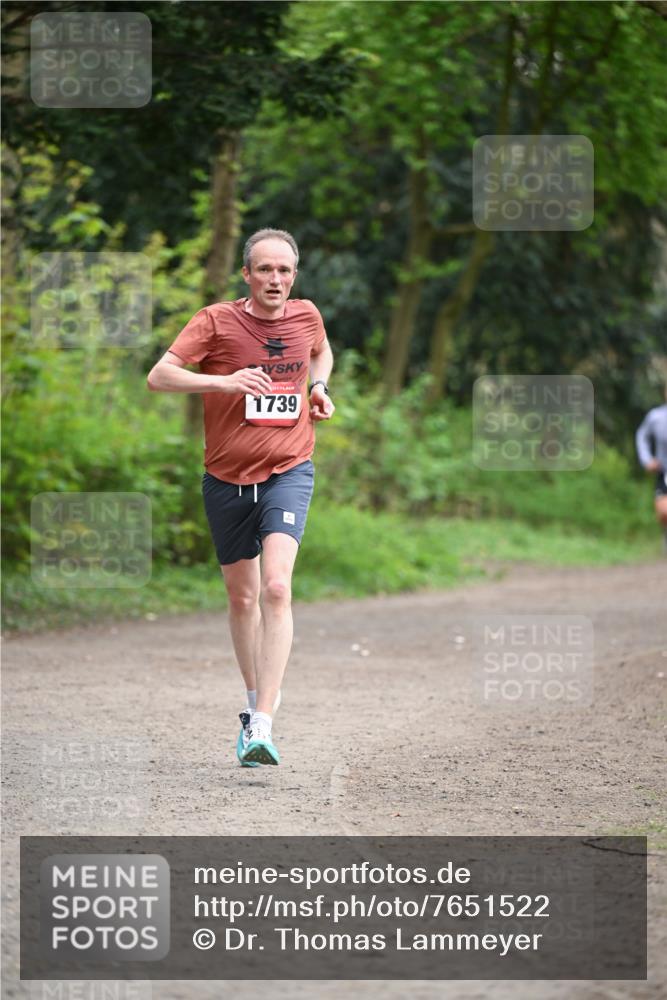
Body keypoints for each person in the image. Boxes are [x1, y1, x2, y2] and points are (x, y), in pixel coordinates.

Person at [147, 228, 334, 765]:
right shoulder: (215, 321)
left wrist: (319, 388)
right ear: (246, 274)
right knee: (243, 598)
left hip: (288, 468)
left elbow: (321, 353)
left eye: (284, 270)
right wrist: (226, 383)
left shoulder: (307, 315)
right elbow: (160, 377)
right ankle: (253, 707)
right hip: (226, 477)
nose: (275, 280)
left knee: (276, 588)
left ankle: (264, 725)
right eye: (265, 270)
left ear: (293, 275)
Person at [635, 390, 667, 551]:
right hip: (664, 471)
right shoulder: (656, 417)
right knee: (664, 512)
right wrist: (647, 460)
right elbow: (642, 435)